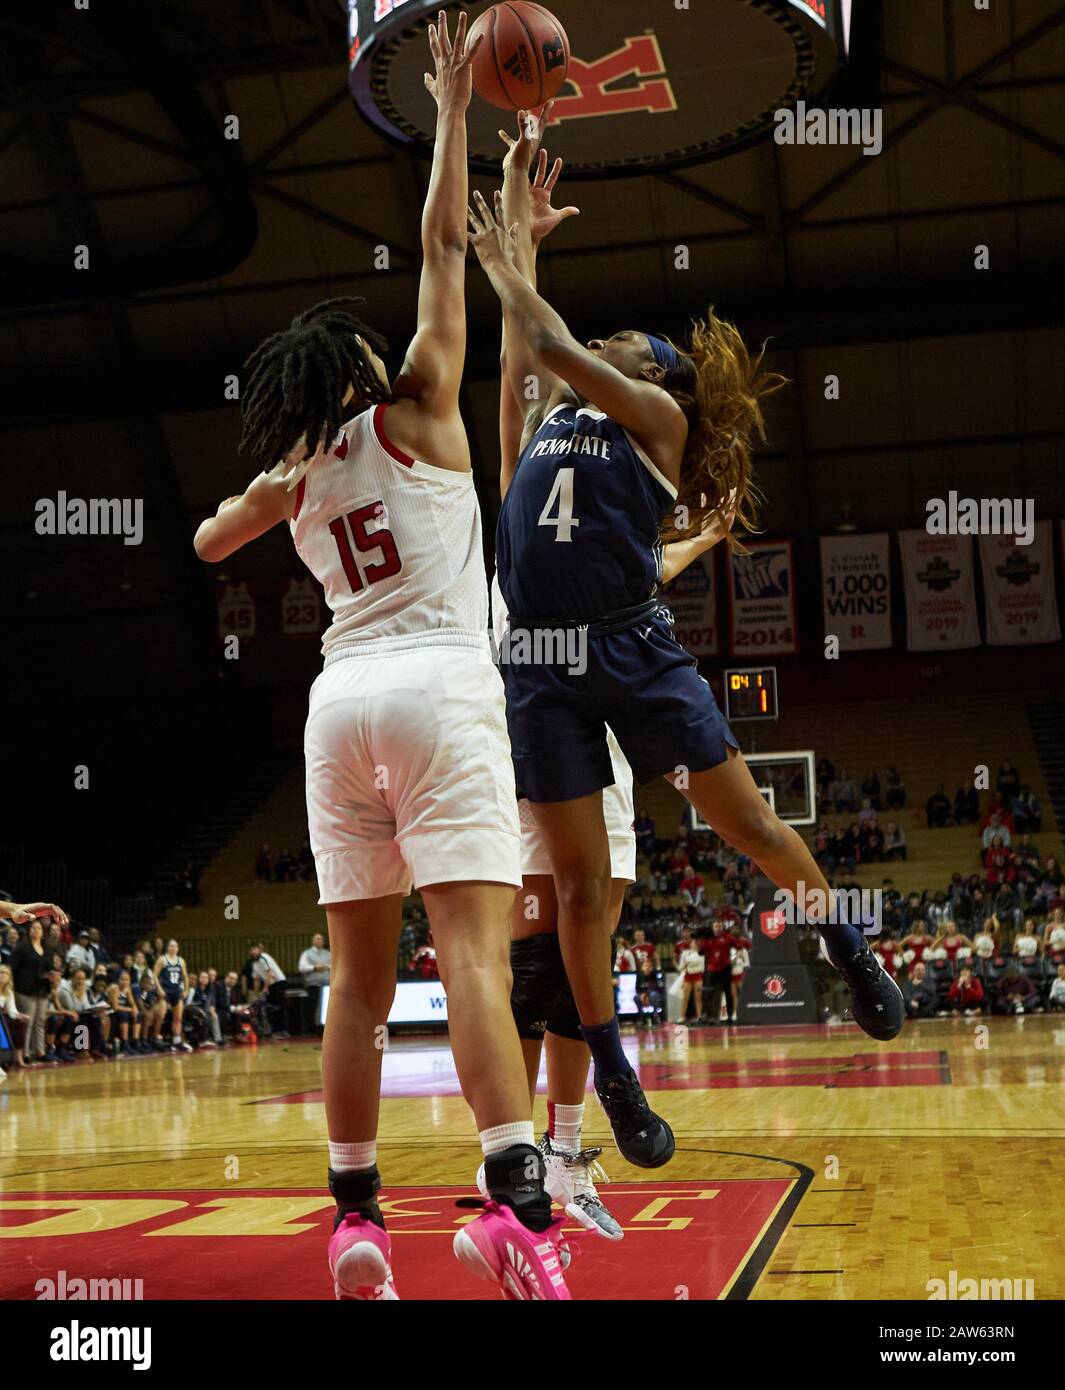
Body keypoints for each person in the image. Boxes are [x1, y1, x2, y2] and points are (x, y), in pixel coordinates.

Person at [192, 14, 569, 1302]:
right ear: (363, 367)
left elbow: (200, 539)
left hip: (334, 705)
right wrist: (455, 109)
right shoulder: (418, 405)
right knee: (469, 956)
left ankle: (355, 1219)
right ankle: (515, 1203)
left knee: (356, 987)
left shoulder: (296, 474)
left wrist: (279, 471)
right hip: (438, 683)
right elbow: (438, 245)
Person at [469, 135, 904, 1138]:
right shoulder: (539, 425)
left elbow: (551, 345)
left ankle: (847, 945)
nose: (618, 335)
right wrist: (515, 229)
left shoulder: (657, 421)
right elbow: (522, 352)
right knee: (580, 889)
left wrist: (511, 269)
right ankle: (614, 1073)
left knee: (749, 825)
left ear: (655, 375)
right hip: (542, 669)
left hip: (634, 647)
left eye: (630, 337)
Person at [153, 939, 192, 1052]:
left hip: (176, 991)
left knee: (178, 1017)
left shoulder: (181, 961)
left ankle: (177, 1041)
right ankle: (155, 1037)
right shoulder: (162, 959)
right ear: (167, 947)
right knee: (161, 1015)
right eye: (171, 946)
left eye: (175, 946)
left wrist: (186, 990)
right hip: (165, 990)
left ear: (178, 948)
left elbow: (185, 976)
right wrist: (159, 989)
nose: (173, 948)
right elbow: (155, 975)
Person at [673, 927, 706, 1025]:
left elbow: (702, 967)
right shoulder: (684, 954)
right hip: (688, 977)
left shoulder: (701, 954)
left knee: (698, 998)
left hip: (698, 976)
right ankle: (682, 1017)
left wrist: (692, 962)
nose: (694, 944)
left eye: (696, 943)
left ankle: (699, 1016)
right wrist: (674, 961)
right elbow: (680, 968)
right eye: (693, 943)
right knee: (685, 998)